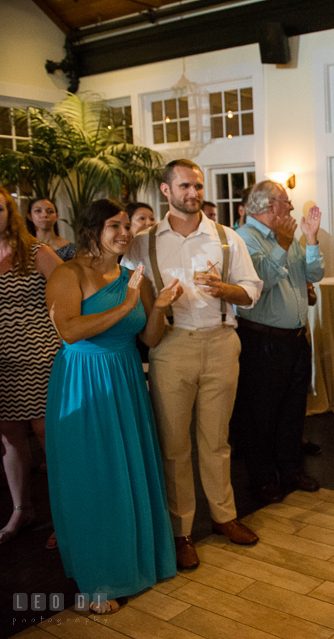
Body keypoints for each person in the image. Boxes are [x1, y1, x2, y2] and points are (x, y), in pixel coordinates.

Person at [44, 199, 183, 614]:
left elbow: (150, 339)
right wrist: (125, 304)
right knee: (93, 476)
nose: (125, 233)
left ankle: (135, 563)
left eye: (128, 226)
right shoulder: (69, 274)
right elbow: (68, 330)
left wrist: (157, 307)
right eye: (114, 226)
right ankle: (98, 577)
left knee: (129, 470)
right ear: (91, 229)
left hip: (124, 379)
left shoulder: (131, 276)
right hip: (84, 381)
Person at [122, 159, 263, 570]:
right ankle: (181, 530)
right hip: (170, 346)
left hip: (221, 341)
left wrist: (225, 289)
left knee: (216, 440)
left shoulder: (225, 237)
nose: (194, 193)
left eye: (198, 186)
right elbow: (126, 291)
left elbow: (251, 291)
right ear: (166, 191)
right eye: (185, 186)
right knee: (174, 446)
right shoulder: (143, 243)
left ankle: (223, 516)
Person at [233, 180, 325, 504]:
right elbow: (258, 283)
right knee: (262, 414)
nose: (289, 206)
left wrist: (310, 239)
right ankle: (261, 479)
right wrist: (283, 245)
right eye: (285, 202)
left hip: (296, 338)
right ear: (269, 205)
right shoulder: (244, 238)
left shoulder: (289, 238)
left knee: (292, 409)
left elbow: (312, 274)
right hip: (262, 340)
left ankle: (291, 470)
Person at [0, 188, 61, 544]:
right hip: (2, 368)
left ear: (11, 211)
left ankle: (65, 516)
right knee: (10, 440)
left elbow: (71, 292)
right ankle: (22, 509)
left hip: (40, 360)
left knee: (49, 439)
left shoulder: (36, 252)